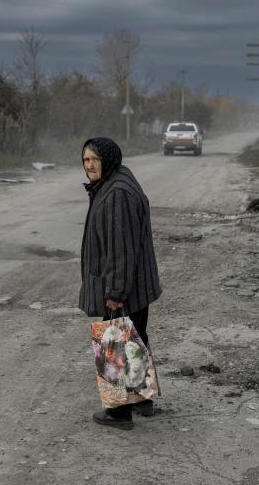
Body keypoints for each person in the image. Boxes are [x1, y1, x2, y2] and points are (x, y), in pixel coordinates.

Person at [79, 136, 162, 429]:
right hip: (136, 282)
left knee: (113, 340)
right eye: (86, 160)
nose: (90, 166)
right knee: (133, 341)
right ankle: (141, 399)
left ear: (108, 160)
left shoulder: (116, 194)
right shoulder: (117, 181)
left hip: (126, 285)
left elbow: (120, 248)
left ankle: (118, 411)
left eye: (95, 160)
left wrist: (115, 291)